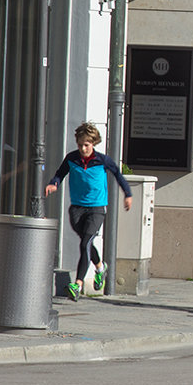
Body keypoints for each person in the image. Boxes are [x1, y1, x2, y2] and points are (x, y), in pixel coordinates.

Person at [45, 122, 133, 300]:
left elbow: (118, 175)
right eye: (80, 145)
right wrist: (53, 184)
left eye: (87, 145)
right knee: (86, 242)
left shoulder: (102, 160)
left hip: (96, 208)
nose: (83, 149)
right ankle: (100, 267)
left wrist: (128, 194)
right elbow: (59, 174)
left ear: (93, 143)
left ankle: (77, 284)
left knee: (85, 243)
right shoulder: (71, 159)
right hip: (76, 209)